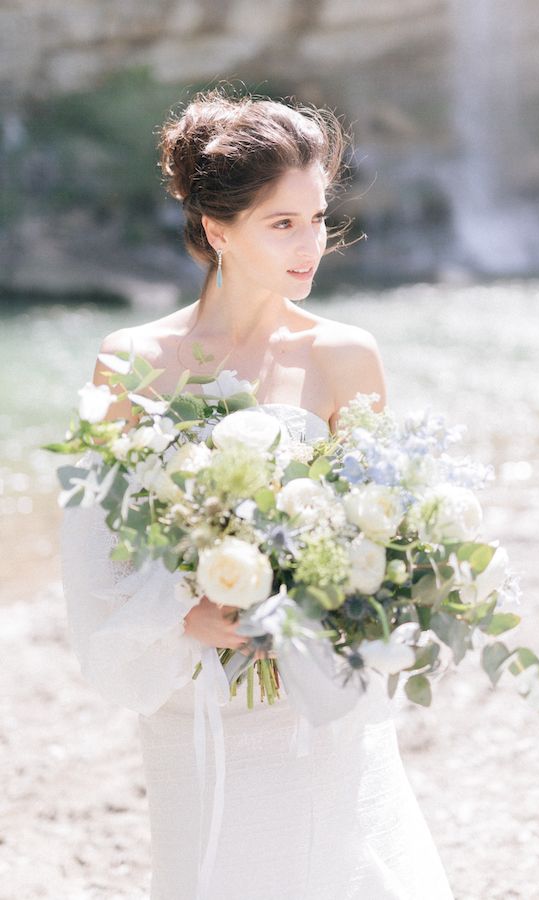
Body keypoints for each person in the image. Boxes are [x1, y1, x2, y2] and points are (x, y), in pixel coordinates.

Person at [60, 87, 455, 900]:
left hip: (310, 697)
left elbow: (383, 528)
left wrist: (329, 604)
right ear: (216, 230)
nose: (311, 243)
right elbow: (92, 543)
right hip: (191, 695)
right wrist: (181, 610)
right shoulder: (127, 360)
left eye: (316, 217)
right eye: (283, 223)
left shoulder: (347, 357)